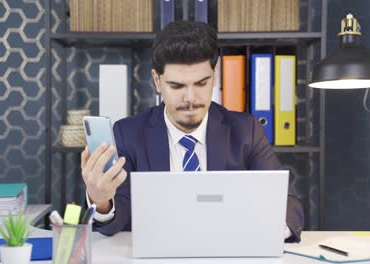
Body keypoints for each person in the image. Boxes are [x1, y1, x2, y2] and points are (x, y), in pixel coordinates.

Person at [80, 20, 304, 242]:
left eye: (201, 83)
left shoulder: (247, 130)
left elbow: (288, 202)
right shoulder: (127, 133)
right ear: (157, 81)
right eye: (177, 86)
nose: (190, 98)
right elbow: (117, 220)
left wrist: (266, 229)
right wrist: (101, 201)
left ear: (214, 76)